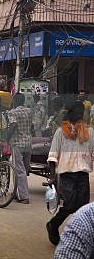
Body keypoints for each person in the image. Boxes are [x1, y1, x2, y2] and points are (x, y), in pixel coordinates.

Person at [46, 101, 94, 246]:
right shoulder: (61, 132)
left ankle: (76, 235)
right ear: (71, 113)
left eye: (82, 112)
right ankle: (53, 224)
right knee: (72, 204)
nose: (80, 115)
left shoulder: (89, 132)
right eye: (78, 112)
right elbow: (53, 155)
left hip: (83, 173)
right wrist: (53, 177)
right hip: (66, 174)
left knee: (83, 206)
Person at [7, 92, 32, 204]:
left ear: (15, 101)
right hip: (28, 143)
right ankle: (17, 192)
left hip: (17, 143)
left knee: (19, 170)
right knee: (24, 170)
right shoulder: (29, 111)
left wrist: (6, 139)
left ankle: (24, 196)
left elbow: (13, 125)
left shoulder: (12, 112)